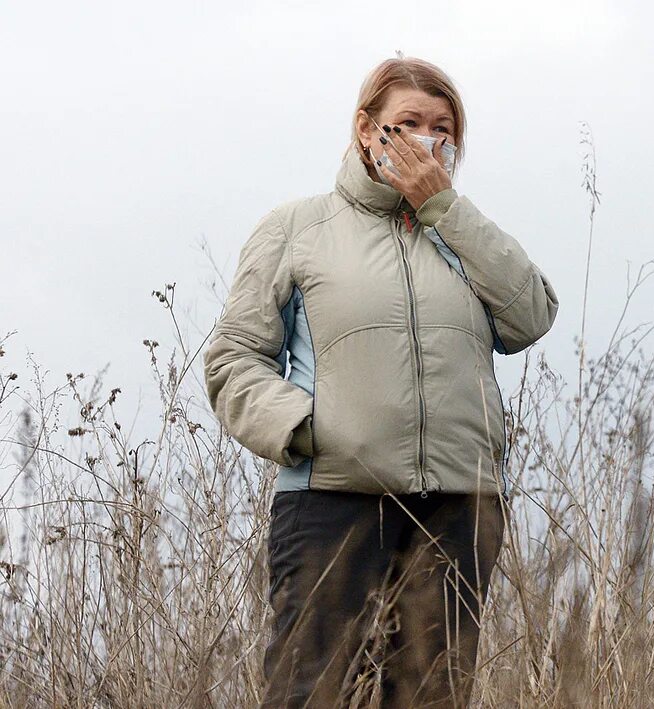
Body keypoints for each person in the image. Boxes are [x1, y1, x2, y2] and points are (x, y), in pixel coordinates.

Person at [203, 55, 559, 708]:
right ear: (367, 130)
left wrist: (444, 208)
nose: (428, 139)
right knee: (312, 694)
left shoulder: (461, 235)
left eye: (443, 128)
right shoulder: (296, 229)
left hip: (458, 507)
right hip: (334, 503)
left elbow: (531, 315)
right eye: (407, 123)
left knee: (431, 697)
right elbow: (233, 360)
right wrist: (308, 428)